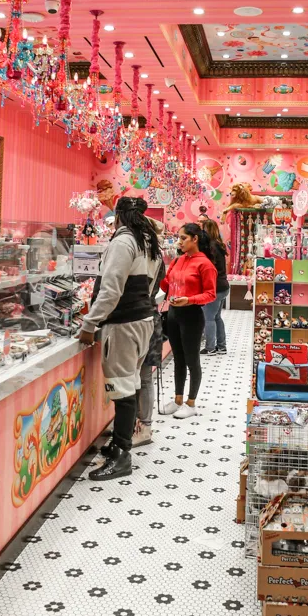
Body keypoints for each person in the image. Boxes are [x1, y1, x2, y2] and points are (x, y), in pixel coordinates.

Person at [77, 196, 162, 479]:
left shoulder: (124, 241)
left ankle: (122, 455)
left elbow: (110, 290)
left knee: (123, 389)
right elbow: (151, 286)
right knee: (131, 383)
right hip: (143, 321)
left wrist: (90, 323)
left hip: (124, 324)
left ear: (120, 216)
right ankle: (119, 444)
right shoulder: (149, 241)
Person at [159, 223, 218, 419]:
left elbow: (210, 294)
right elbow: (166, 283)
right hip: (174, 313)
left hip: (192, 315)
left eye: (184, 238)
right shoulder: (178, 260)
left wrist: (190, 300)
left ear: (195, 239)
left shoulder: (205, 264)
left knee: (192, 360)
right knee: (178, 359)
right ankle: (177, 399)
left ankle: (191, 402)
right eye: (179, 237)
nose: (180, 241)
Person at [134, 199, 165, 447]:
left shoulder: (138, 255)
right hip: (150, 316)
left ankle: (140, 425)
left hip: (137, 318)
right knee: (144, 376)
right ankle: (144, 425)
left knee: (139, 377)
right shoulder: (157, 256)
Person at [200, 217, 229, 355]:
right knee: (217, 317)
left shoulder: (210, 247)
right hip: (223, 286)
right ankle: (221, 346)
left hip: (214, 287)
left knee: (209, 318)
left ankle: (210, 347)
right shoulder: (219, 244)